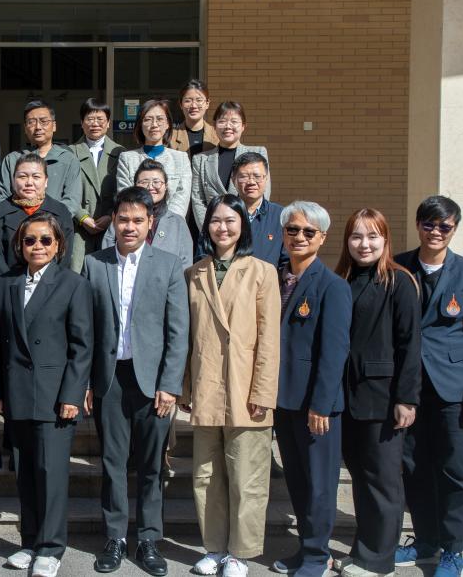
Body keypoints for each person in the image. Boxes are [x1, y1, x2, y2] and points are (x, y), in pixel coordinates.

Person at [83, 187, 190, 577]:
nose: (129, 226)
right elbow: (87, 330)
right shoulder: (95, 264)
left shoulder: (167, 265)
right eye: (123, 219)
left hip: (153, 383)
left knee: (150, 465)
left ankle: (148, 539)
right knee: (112, 463)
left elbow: (178, 331)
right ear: (114, 221)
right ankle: (115, 537)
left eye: (138, 220)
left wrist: (170, 383)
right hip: (110, 379)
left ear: (151, 224)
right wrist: (86, 383)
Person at [0, 214, 93, 577]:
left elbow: (82, 347)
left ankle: (51, 547)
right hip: (16, 393)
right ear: (20, 245)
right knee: (25, 472)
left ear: (59, 245)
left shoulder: (73, 285)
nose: (37, 247)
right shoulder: (4, 284)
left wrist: (73, 394)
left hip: (54, 395)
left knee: (51, 473)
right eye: (30, 240)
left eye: (45, 240)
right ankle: (29, 542)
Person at [394, 196, 463, 577]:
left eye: (444, 226)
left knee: (454, 473)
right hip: (409, 389)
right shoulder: (399, 266)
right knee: (413, 468)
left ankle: (453, 552)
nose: (435, 232)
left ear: (454, 229)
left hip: (454, 391)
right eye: (429, 225)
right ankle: (424, 542)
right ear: (418, 225)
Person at [181, 194, 280, 577]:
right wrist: (187, 389)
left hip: (246, 388)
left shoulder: (261, 271)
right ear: (207, 227)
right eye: (216, 221)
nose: (222, 227)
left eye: (230, 220)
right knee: (206, 475)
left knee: (247, 476)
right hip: (206, 385)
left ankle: (240, 552)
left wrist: (263, 392)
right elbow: (190, 336)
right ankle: (213, 547)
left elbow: (269, 338)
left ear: (243, 225)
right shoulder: (195, 272)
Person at [332, 208, 421, 577]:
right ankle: (364, 549)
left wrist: (407, 398)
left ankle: (378, 560)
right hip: (346, 398)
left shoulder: (399, 282)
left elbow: (409, 344)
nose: (364, 244)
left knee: (382, 481)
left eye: (372, 236)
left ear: (385, 240)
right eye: (356, 236)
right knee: (362, 477)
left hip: (382, 398)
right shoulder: (343, 278)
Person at [271, 201, 351, 577]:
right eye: (292, 230)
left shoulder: (332, 286)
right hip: (284, 400)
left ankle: (318, 556)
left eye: (308, 232)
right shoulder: (275, 278)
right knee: (298, 482)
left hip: (317, 406)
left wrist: (321, 404)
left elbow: (334, 352)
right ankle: (305, 549)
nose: (299, 237)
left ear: (322, 238)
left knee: (320, 485)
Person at [0, 153, 74, 275]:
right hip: (8, 282)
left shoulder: (60, 211)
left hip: (50, 285)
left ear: (46, 181)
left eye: (36, 177)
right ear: (13, 180)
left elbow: (64, 253)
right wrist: (8, 281)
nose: (29, 182)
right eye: (22, 177)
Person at [0, 100, 82, 219]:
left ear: (54, 126)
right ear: (25, 128)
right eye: (31, 122)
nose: (38, 127)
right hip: (17, 230)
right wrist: (21, 223)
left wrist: (49, 225)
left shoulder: (68, 160)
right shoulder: (12, 159)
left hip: (55, 229)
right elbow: (2, 197)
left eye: (44, 121)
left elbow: (72, 200)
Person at [190, 102, 270, 231]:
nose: (228, 126)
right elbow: (198, 199)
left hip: (250, 230)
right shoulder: (200, 160)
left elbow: (263, 193)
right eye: (222, 121)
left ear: (243, 126)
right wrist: (209, 230)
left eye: (234, 121)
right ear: (214, 126)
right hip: (215, 232)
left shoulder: (258, 153)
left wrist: (246, 230)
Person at [103, 159, 192, 270]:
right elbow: (107, 252)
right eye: (144, 182)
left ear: (166, 186)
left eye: (156, 182)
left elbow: (186, 264)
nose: (150, 187)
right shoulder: (122, 219)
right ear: (135, 186)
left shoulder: (178, 223)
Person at [70, 98, 126, 273]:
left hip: (110, 227)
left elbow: (124, 190)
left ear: (108, 123)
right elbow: (66, 191)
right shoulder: (70, 152)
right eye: (90, 119)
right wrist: (82, 217)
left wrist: (111, 216)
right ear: (82, 122)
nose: (95, 124)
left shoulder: (120, 152)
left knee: (106, 276)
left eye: (100, 119)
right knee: (77, 275)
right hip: (79, 227)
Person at [115, 99, 192, 218]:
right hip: (137, 225)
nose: (154, 124)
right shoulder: (127, 159)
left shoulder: (181, 159)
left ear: (167, 124)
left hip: (171, 226)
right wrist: (143, 222)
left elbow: (182, 198)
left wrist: (166, 224)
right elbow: (126, 196)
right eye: (148, 119)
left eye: (160, 119)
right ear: (140, 125)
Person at [230, 152, 286, 267]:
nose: (251, 182)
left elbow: (287, 261)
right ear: (233, 179)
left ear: (266, 179)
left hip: (268, 283)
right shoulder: (221, 213)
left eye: (257, 176)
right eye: (244, 176)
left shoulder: (281, 216)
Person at [170, 79, 218, 154]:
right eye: (188, 100)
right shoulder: (170, 137)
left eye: (199, 100)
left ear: (207, 104)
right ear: (180, 104)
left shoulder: (218, 135)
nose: (194, 106)